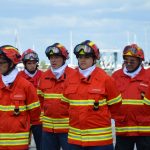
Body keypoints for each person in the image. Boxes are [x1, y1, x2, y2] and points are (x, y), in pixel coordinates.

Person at [61, 40, 122, 150]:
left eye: (87, 56)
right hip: (75, 141)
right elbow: (65, 105)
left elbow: (116, 107)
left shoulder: (106, 79)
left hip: (100, 142)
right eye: (80, 56)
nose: (82, 59)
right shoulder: (69, 79)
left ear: (94, 58)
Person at [0, 45, 41, 150]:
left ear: (11, 63)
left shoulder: (26, 86)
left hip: (18, 143)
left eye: (1, 63)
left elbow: (35, 116)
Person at [112, 44, 150, 150]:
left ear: (140, 61)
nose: (128, 64)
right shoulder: (116, 76)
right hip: (123, 129)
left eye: (132, 61)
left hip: (145, 131)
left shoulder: (148, 76)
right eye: (126, 60)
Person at [39, 43, 75, 150]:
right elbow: (39, 101)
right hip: (48, 130)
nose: (53, 60)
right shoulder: (44, 77)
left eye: (56, 57)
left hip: (69, 130)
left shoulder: (74, 76)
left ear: (64, 58)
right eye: (51, 58)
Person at [19, 49, 43, 150]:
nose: (32, 65)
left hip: (39, 119)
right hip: (23, 118)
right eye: (29, 63)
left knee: (41, 146)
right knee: (22, 146)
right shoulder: (18, 77)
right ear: (24, 64)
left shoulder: (44, 76)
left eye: (34, 63)